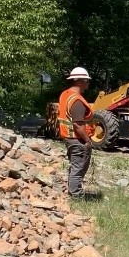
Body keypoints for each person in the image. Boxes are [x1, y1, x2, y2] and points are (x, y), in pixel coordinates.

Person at [57, 66, 95, 199]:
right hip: (77, 139)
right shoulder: (77, 100)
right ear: (79, 82)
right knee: (78, 168)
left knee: (75, 166)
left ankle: (73, 191)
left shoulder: (65, 95)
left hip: (69, 137)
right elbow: (78, 125)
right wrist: (87, 140)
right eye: (86, 81)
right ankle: (76, 196)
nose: (88, 84)